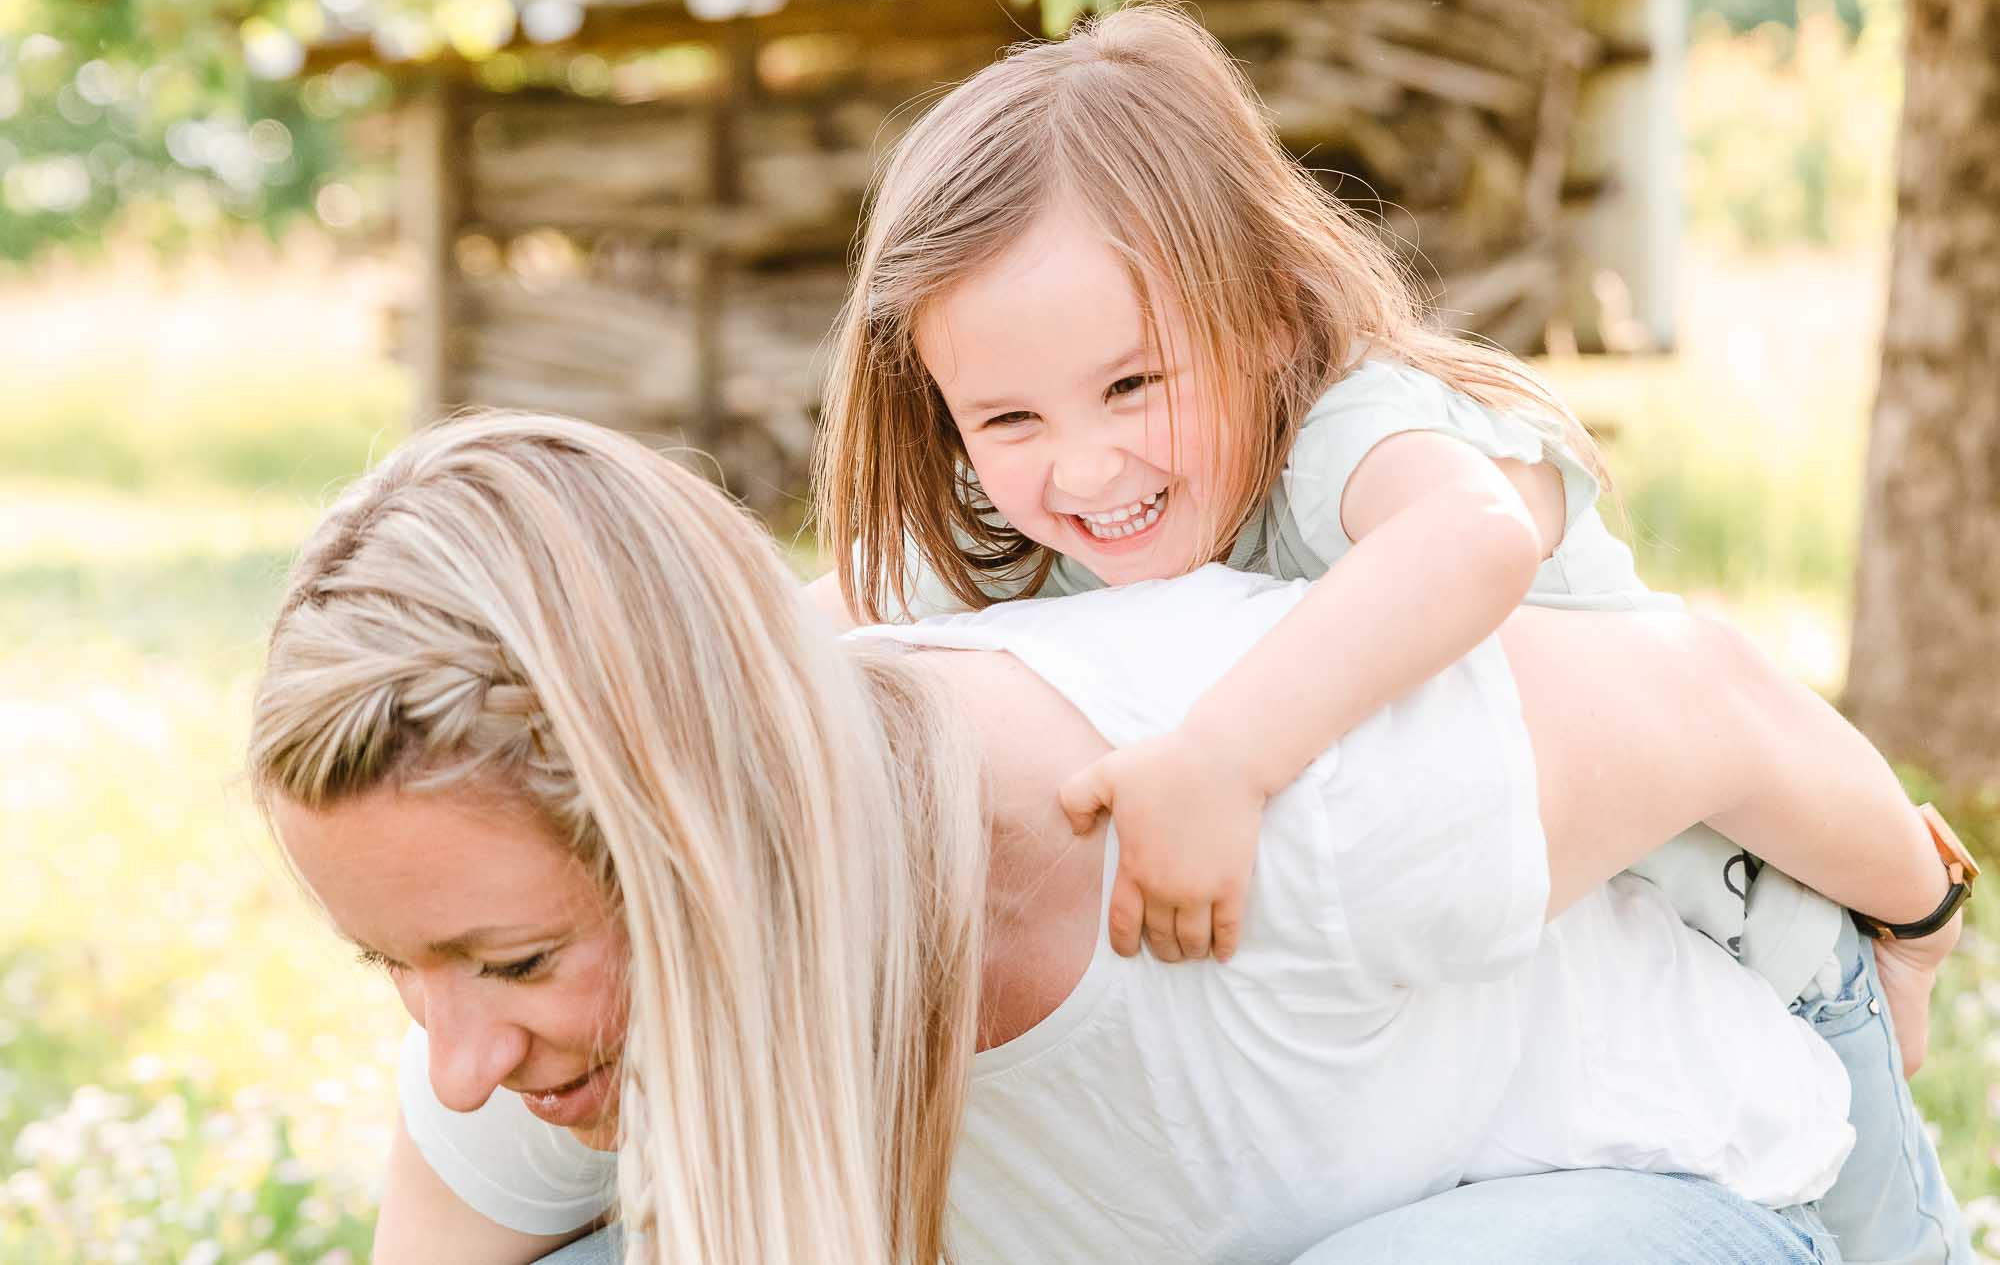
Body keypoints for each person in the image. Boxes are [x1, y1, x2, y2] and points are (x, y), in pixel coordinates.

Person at [251, 413, 1966, 1265]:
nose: (460, 1060)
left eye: (516, 959)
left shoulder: (1272, 785)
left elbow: (1710, 697)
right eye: (400, 966)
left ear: (710, 835)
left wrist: (1922, 909)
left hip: (1646, 1187)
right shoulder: (559, 1031)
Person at [809, 2, 1969, 1260]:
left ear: (1259, 315)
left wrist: (1224, 759)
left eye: (1130, 385)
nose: (1082, 466)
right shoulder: (1043, 525)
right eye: (1008, 419)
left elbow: (1483, 548)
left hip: (1757, 940)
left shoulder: (1346, 433)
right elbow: (827, 614)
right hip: (1525, 1035)